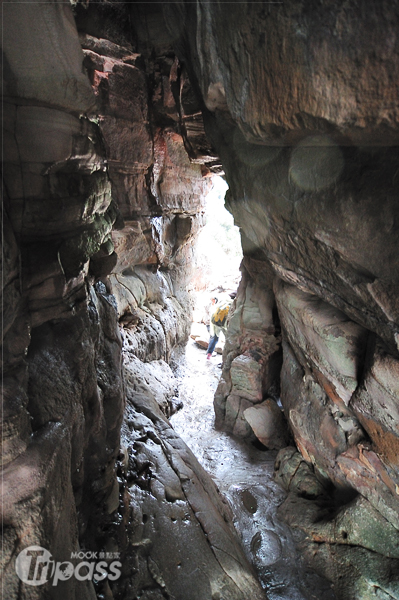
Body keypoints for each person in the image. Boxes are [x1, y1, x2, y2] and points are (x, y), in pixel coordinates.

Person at [206, 295, 231, 359]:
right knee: (229, 339)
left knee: (214, 338)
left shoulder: (221, 304)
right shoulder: (231, 304)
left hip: (215, 322)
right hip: (223, 323)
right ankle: (226, 358)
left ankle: (209, 354)